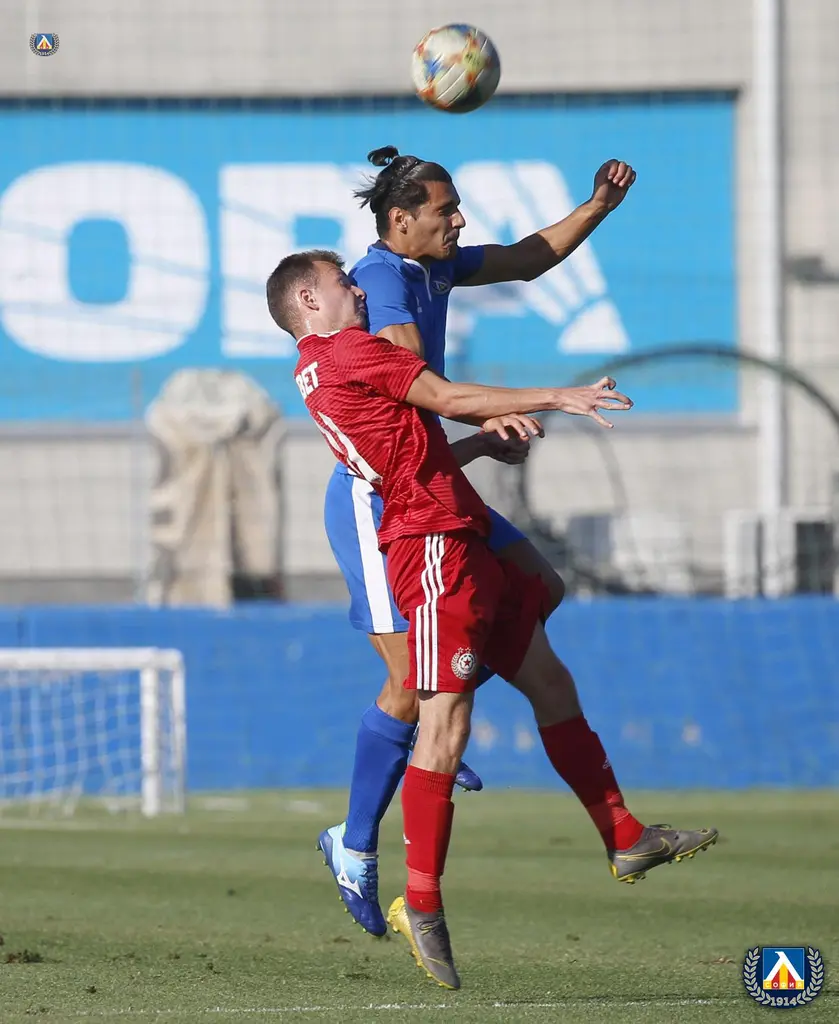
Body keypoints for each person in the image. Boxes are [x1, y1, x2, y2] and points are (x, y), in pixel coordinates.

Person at [267, 250, 719, 990]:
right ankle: (420, 901)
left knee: (549, 677)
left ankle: (624, 835)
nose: (357, 290)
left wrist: (481, 442)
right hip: (432, 549)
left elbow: (410, 452)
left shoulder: (323, 366)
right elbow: (445, 397)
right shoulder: (349, 350)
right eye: (342, 283)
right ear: (309, 301)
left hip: (458, 531)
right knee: (443, 722)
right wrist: (561, 395)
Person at [318, 145, 639, 937]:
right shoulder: (383, 278)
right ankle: (352, 843)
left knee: (540, 587)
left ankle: (442, 704)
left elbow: (527, 260)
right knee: (408, 685)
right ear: (401, 220)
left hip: (434, 480)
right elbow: (420, 383)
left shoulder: (433, 266)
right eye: (445, 209)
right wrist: (532, 400)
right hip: (379, 499)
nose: (459, 220)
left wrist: (596, 207)